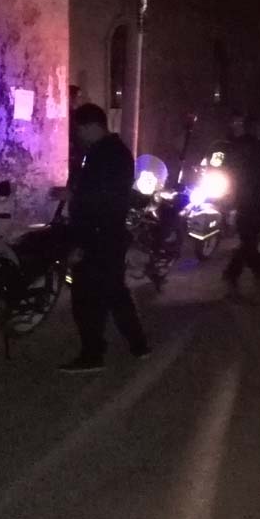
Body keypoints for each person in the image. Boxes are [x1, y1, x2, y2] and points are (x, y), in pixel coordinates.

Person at [59, 104, 149, 373]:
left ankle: (92, 354)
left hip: (97, 235)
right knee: (114, 291)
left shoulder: (105, 155)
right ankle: (139, 345)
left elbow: (99, 200)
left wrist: (80, 242)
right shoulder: (112, 152)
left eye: (79, 130)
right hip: (109, 234)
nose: (78, 135)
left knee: (85, 297)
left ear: (90, 126)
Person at [223, 113, 260, 293]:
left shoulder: (236, 145)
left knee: (248, 236)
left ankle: (242, 269)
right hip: (252, 196)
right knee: (250, 235)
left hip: (242, 195)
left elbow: (230, 168)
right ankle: (251, 268)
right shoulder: (256, 147)